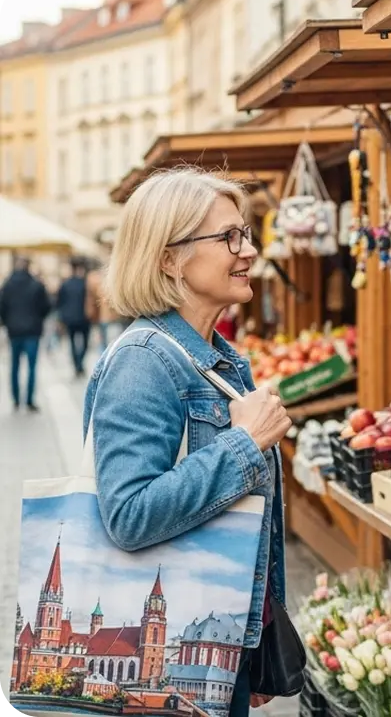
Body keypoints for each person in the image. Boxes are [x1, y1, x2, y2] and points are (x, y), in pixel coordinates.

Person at [85, 169, 292, 713]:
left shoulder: (216, 360)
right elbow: (129, 514)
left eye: (244, 233)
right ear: (170, 258)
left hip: (218, 651)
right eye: (229, 237)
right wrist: (244, 443)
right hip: (162, 661)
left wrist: (257, 641)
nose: (247, 249)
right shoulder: (143, 361)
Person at [0, 256, 52, 411]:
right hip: (32, 331)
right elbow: (47, 307)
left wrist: (8, 322)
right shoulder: (37, 285)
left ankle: (16, 399)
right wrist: (37, 318)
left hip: (14, 331)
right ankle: (29, 399)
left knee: (14, 365)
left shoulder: (7, 285)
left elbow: (1, 308)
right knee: (31, 366)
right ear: (29, 267)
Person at [56, 259, 92, 376]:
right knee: (85, 343)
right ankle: (79, 363)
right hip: (84, 318)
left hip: (70, 318)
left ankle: (77, 364)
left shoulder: (65, 284)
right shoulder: (85, 283)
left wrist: (61, 318)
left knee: (72, 343)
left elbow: (60, 303)